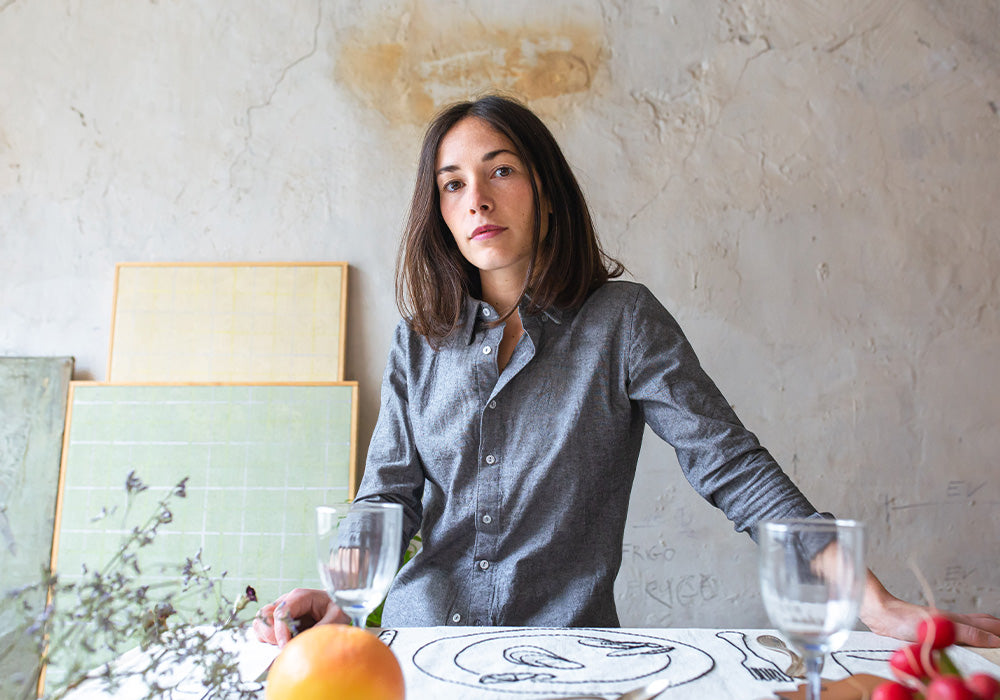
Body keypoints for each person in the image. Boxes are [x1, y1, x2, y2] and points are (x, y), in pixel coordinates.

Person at [254, 93, 1000, 648]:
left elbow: (733, 467)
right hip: (421, 654)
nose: (476, 198)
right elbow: (386, 499)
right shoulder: (419, 340)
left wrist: (874, 604)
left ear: (546, 191)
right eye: (452, 184)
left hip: (570, 658)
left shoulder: (623, 321)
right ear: (440, 213)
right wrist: (338, 596)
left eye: (501, 170)